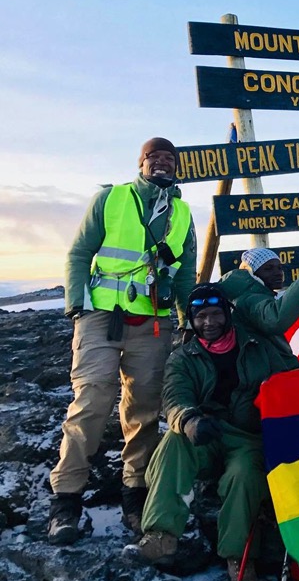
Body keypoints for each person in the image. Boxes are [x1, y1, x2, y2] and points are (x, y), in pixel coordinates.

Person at [48, 137, 196, 545]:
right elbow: (80, 252)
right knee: (92, 399)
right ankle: (66, 499)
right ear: (141, 163)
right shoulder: (110, 199)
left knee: (145, 409)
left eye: (170, 158)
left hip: (153, 321)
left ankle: (135, 492)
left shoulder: (182, 213)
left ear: (177, 167)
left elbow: (184, 275)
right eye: (154, 157)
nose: (162, 163)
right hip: (100, 317)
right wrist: (75, 306)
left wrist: (189, 321)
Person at [127, 283, 299, 581]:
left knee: (244, 475)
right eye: (201, 316)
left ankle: (239, 558)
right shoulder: (183, 358)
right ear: (192, 321)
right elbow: (174, 399)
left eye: (215, 314)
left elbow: (292, 379)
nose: (209, 322)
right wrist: (190, 421)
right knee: (172, 443)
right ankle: (161, 534)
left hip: (249, 438)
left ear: (227, 314)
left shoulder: (257, 346)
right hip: (206, 432)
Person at [219, 247, 299, 357]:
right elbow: (276, 319)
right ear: (251, 273)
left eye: (279, 268)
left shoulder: (248, 296)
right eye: (268, 268)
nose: (278, 273)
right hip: (271, 375)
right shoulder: (249, 300)